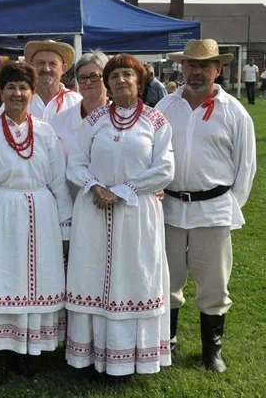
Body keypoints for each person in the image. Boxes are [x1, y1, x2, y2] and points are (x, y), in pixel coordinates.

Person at [0, 63, 72, 385]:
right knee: (4, 281)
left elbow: (60, 182)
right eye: (11, 87)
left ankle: (27, 354)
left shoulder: (46, 132)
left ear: (32, 93)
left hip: (43, 217)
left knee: (38, 284)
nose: (17, 94)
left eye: (23, 87)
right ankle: (0, 356)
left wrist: (66, 228)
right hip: (4, 215)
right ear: (0, 92)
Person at [65, 54, 175, 377]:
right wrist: (95, 186)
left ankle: (131, 359)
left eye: (127, 75)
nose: (121, 80)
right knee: (93, 277)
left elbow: (165, 168)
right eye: (114, 76)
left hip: (137, 212)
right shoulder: (95, 120)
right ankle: (91, 356)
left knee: (133, 279)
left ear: (139, 81)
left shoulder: (155, 121)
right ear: (107, 83)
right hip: (94, 211)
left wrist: (125, 189)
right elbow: (75, 162)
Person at [156, 39, 256, 373]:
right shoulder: (165, 108)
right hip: (169, 208)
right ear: (181, 68)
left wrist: (228, 206)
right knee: (166, 279)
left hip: (212, 210)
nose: (196, 72)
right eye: (190, 65)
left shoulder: (234, 112)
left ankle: (211, 350)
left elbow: (246, 167)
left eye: (203, 66)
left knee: (213, 283)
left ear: (218, 70)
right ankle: (165, 341)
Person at [50, 50, 109, 197]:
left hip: (114, 202)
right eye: (82, 78)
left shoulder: (125, 119)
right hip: (71, 202)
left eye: (94, 76)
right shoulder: (59, 121)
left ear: (107, 79)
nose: (88, 82)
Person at [0, 40, 81, 122]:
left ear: (63, 68)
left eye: (53, 64)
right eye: (41, 63)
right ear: (31, 67)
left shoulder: (76, 102)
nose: (46, 69)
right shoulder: (17, 100)